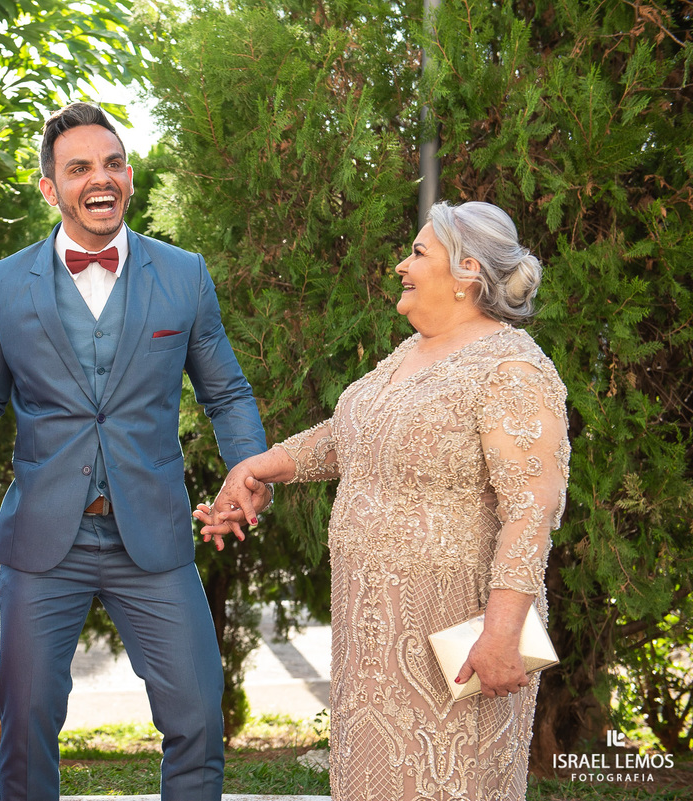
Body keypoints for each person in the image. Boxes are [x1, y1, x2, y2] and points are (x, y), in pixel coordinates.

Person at [0, 102, 269, 801]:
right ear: (49, 187)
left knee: (197, 717)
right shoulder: (2, 285)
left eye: (114, 162)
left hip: (150, 533)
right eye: (80, 167)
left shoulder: (183, 275)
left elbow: (227, 392)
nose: (102, 178)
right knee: (26, 726)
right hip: (43, 536)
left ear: (129, 175)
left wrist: (249, 467)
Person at [197, 201, 571, 801]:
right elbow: (354, 434)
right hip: (370, 640)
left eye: (419, 253)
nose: (402, 265)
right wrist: (262, 466)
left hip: (459, 639)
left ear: (468, 271)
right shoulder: (410, 353)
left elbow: (531, 512)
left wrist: (502, 633)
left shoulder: (512, 369)